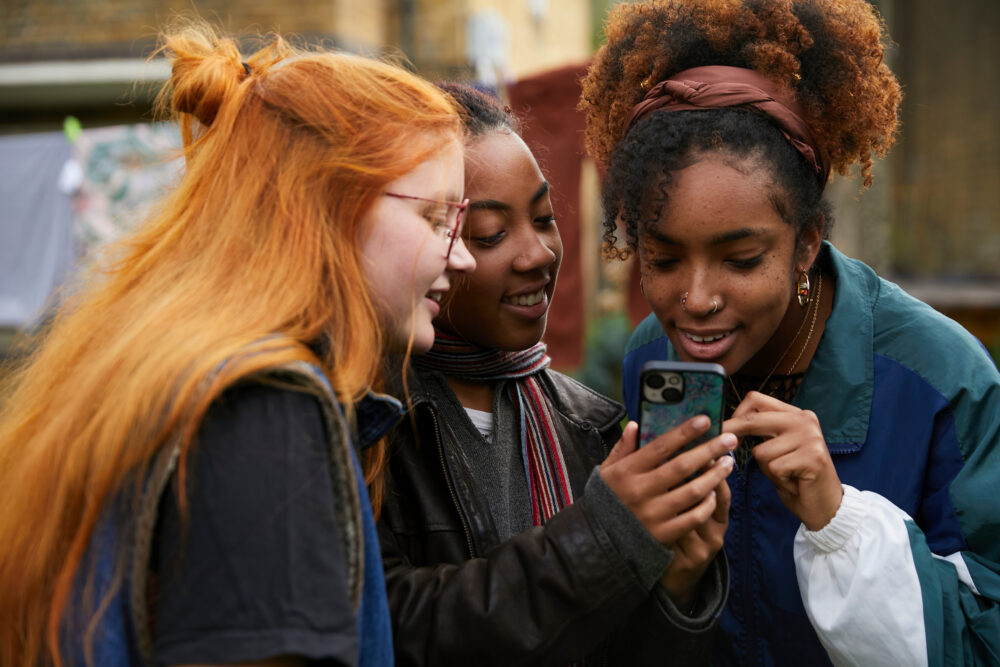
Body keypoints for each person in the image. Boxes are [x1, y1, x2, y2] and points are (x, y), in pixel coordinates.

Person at [0, 22, 476, 667]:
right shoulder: (265, 410)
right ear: (324, 204)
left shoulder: (181, 367)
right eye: (436, 218)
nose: (465, 257)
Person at [580, 0, 1000, 665]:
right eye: (662, 259)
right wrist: (660, 571)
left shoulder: (945, 380)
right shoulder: (649, 359)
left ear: (806, 244)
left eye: (741, 259)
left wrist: (838, 522)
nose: (695, 300)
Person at [377, 83, 736, 667]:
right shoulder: (369, 424)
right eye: (489, 233)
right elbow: (397, 631)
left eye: (544, 218)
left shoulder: (593, 427)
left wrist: (676, 586)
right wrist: (605, 535)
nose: (538, 253)